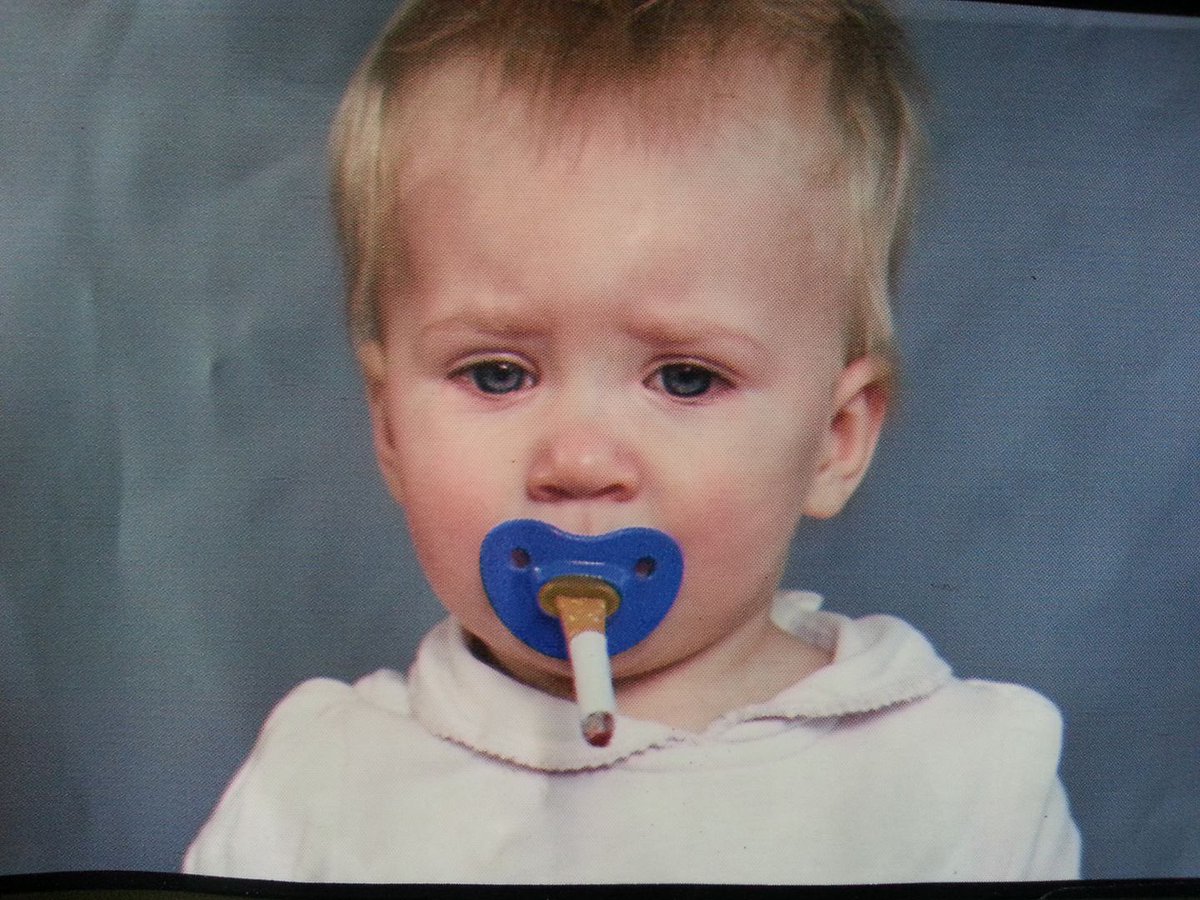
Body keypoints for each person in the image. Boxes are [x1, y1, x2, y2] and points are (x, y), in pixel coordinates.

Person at [183, 0, 1081, 882]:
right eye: (496, 374)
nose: (577, 463)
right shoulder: (318, 783)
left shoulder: (964, 780)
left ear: (833, 441)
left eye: (685, 378)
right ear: (388, 429)